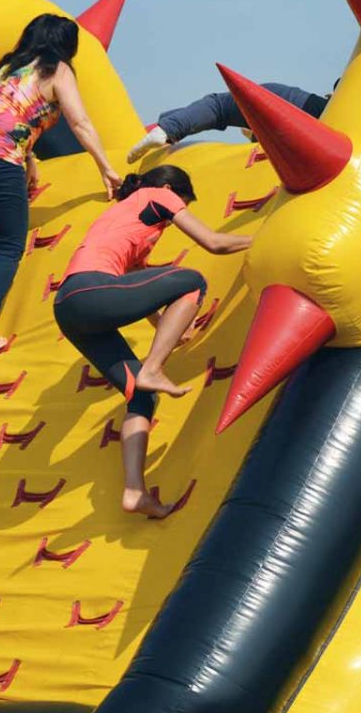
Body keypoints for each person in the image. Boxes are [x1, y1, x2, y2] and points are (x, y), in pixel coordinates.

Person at [54, 165, 251, 518]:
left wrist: (170, 327)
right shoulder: (157, 195)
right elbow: (215, 243)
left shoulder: (126, 219)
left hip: (70, 308)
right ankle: (154, 369)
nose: (170, 224)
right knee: (192, 281)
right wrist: (260, 239)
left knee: (141, 396)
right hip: (90, 290)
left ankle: (135, 492)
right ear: (170, 190)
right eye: (181, 205)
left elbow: (137, 287)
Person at [0, 13, 124, 352]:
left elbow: (7, 113)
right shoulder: (58, 70)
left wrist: (29, 158)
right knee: (9, 246)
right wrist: (105, 167)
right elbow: (79, 122)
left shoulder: (10, 67)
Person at [127, 83, 331, 163]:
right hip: (324, 124)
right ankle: (167, 126)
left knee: (220, 105)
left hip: (316, 112)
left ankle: (167, 129)